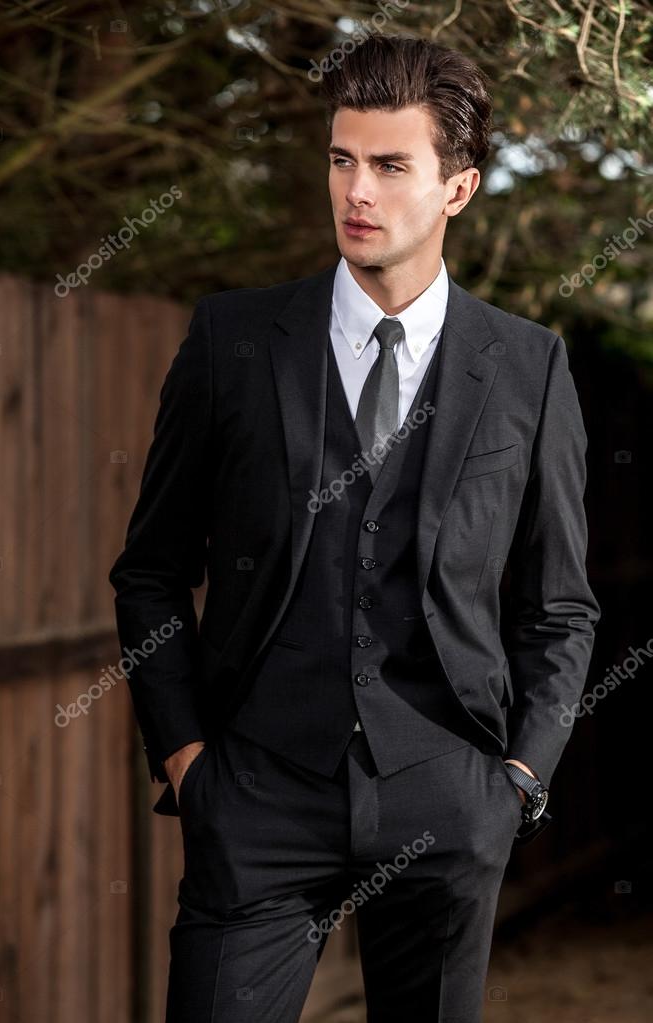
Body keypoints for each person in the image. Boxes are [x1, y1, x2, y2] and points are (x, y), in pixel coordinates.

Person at [109, 33, 600, 1023]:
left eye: (387, 165)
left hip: (447, 802)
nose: (355, 192)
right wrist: (188, 763)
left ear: (455, 189)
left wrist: (513, 783)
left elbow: (557, 605)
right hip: (254, 799)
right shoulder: (233, 341)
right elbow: (150, 571)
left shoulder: (525, 367)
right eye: (340, 160)